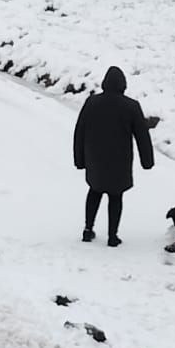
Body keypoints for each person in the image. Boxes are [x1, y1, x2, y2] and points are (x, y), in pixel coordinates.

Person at [73, 65, 154, 246]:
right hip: (120, 161)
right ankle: (112, 236)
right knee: (115, 197)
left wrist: (79, 159)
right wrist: (147, 161)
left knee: (94, 192)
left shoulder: (92, 102)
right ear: (123, 85)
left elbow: (80, 131)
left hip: (95, 159)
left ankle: (88, 229)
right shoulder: (131, 106)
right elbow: (142, 136)